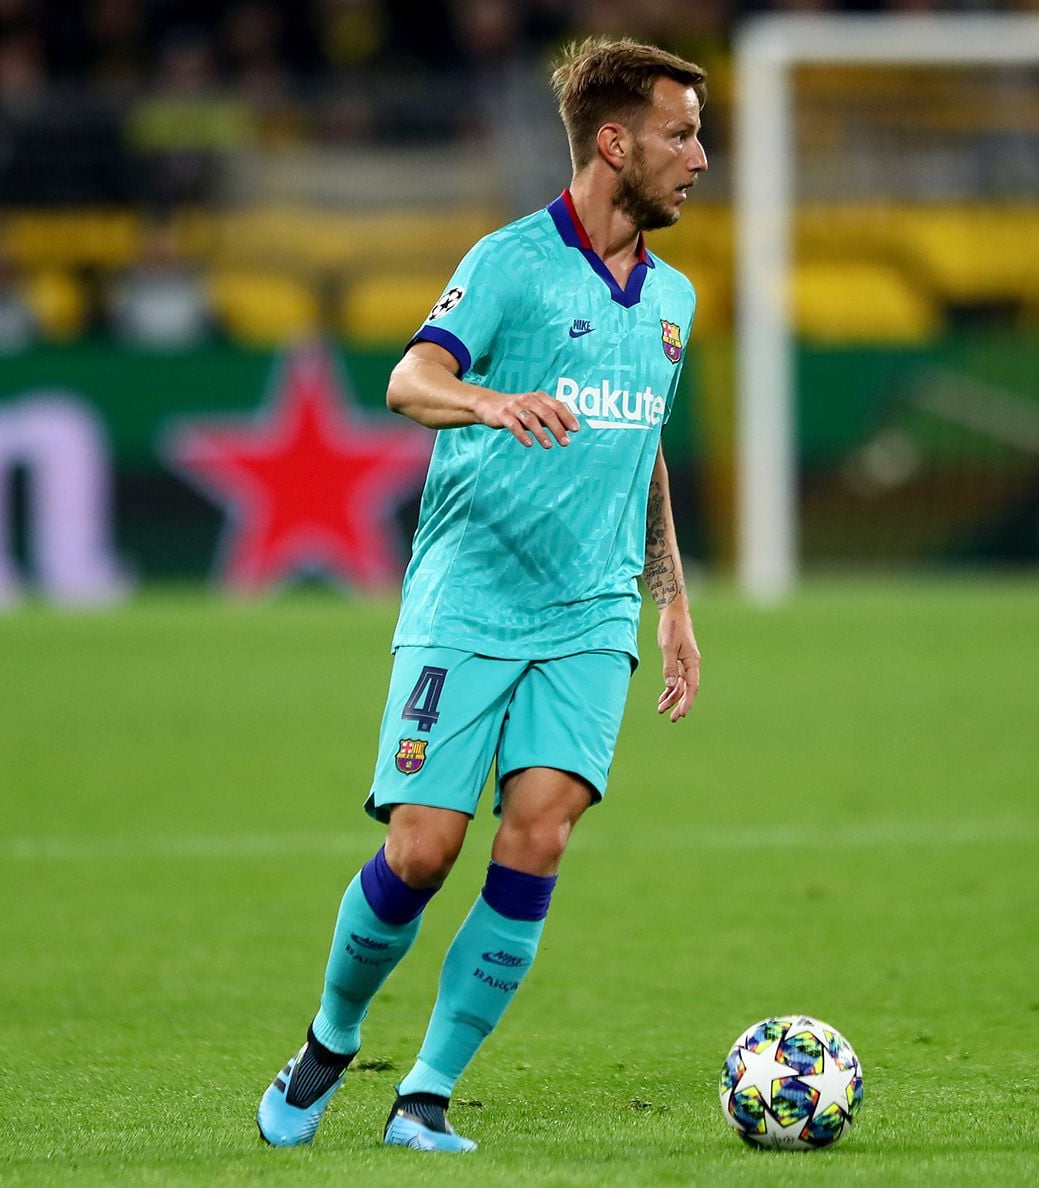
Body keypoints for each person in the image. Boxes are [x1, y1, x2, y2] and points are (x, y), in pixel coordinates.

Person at [256, 36, 707, 1154]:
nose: (700, 158)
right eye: (682, 135)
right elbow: (411, 378)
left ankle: (426, 1095)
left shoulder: (675, 299)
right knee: (423, 849)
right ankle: (329, 1040)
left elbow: (641, 444)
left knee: (540, 835)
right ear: (616, 143)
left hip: (590, 613)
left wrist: (672, 600)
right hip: (469, 599)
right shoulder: (509, 262)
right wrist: (492, 402)